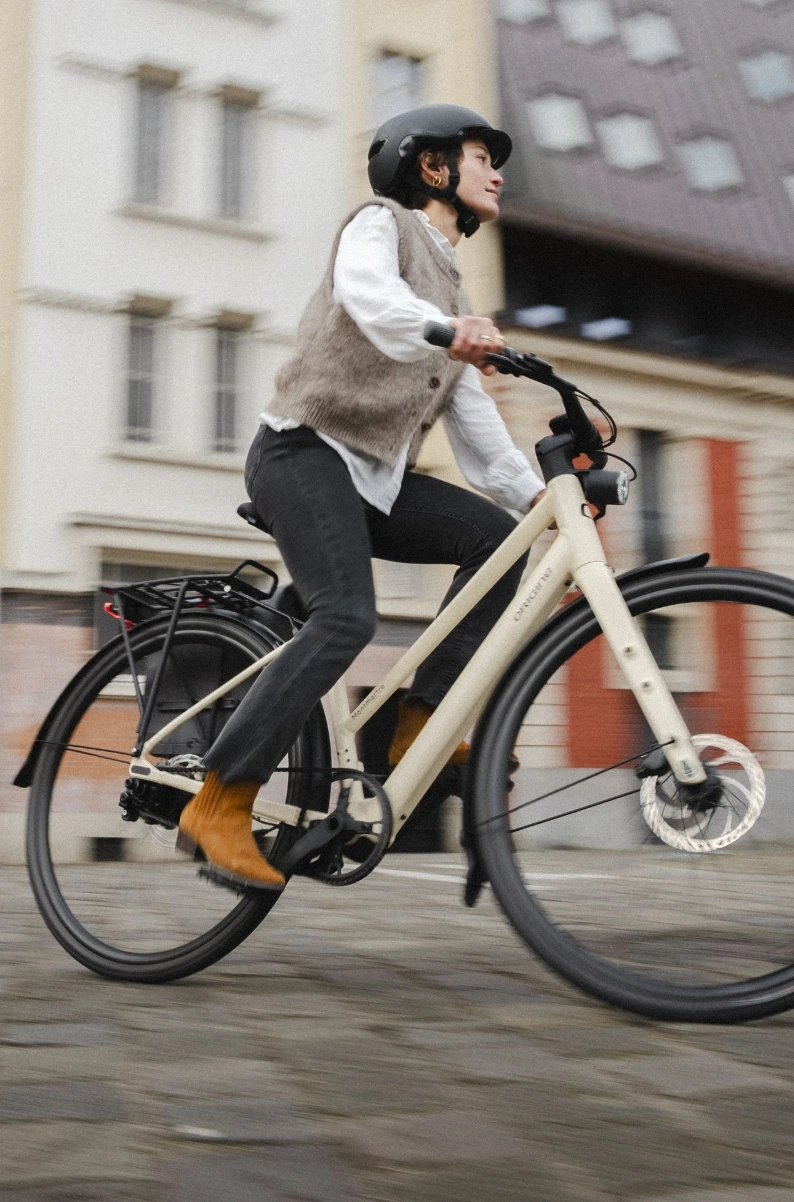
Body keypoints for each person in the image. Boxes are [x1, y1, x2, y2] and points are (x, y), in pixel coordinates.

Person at [177, 104, 545, 892]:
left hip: (374, 481)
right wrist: (452, 333)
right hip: (301, 453)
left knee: (502, 546)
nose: (498, 172)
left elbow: (481, 441)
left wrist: (550, 507)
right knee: (345, 615)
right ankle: (218, 799)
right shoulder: (379, 224)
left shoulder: (452, 290)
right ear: (433, 167)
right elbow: (371, 298)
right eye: (483, 156)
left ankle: (419, 722)